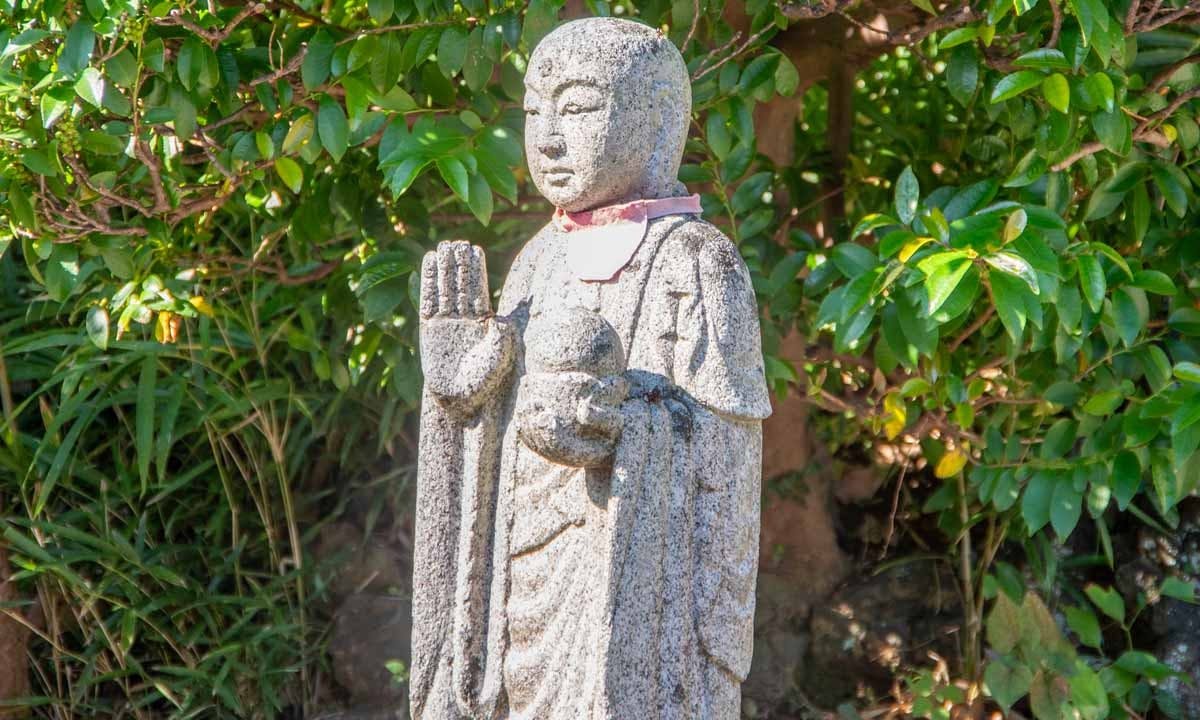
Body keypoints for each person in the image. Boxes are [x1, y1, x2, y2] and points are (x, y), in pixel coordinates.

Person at [411, 17, 771, 720]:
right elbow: (501, 431)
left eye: (576, 108)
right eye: (534, 112)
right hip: (521, 575)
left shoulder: (698, 261)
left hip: (628, 592)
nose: (547, 138)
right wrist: (463, 398)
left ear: (660, 121)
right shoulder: (536, 258)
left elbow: (727, 464)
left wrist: (619, 421)